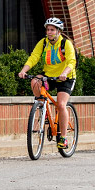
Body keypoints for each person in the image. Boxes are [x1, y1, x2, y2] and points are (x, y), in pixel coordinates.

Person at [18, 17, 76, 149]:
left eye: (52, 30)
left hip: (65, 77)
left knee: (61, 105)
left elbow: (72, 61)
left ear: (58, 31)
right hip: (49, 76)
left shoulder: (65, 44)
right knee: (35, 81)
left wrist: (65, 73)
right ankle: (42, 106)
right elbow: (34, 57)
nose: (49, 32)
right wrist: (23, 70)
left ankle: (64, 138)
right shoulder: (43, 43)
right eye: (48, 30)